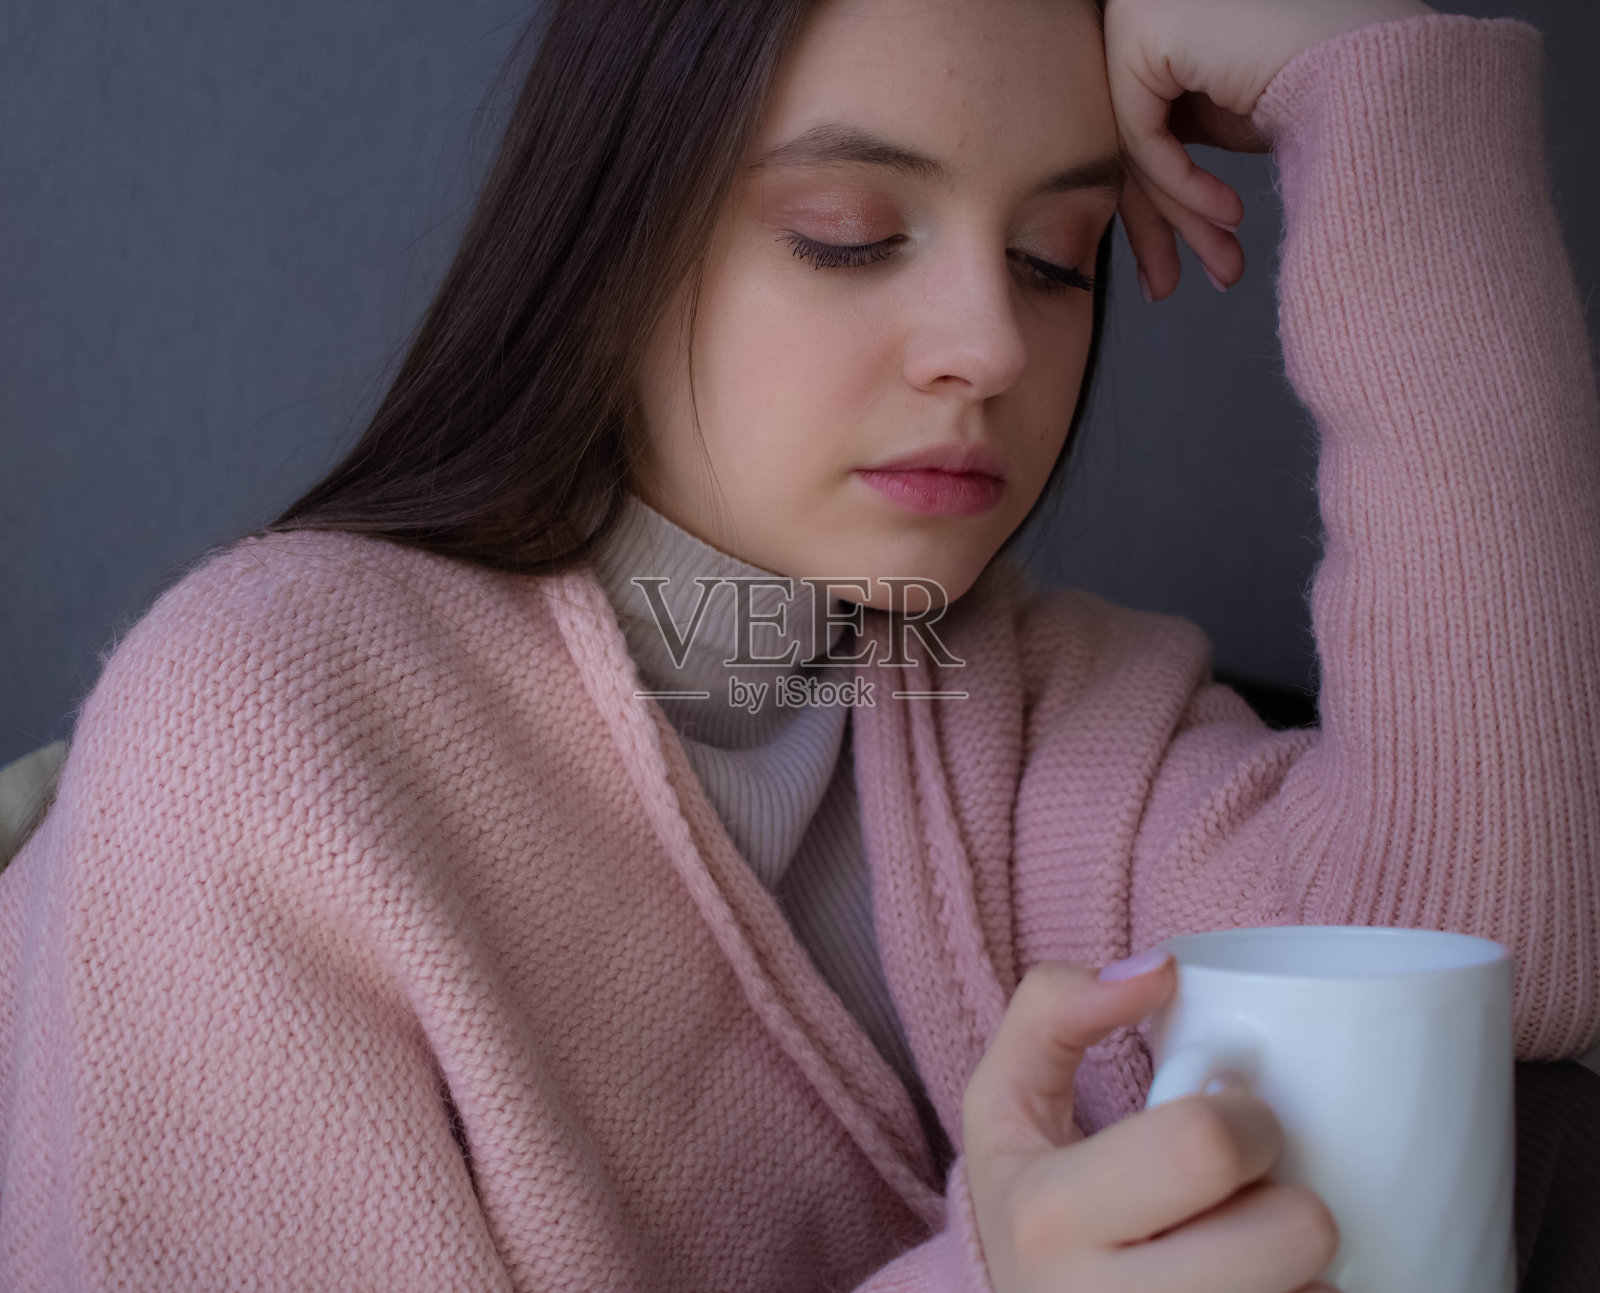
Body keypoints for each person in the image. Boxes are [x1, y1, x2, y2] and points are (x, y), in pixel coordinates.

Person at [0, 0, 1595, 1288]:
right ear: (610, 246)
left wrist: (1374, 98)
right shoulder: (263, 734)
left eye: (1059, 255)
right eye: (846, 232)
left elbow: (1484, 964)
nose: (991, 346)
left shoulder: (1034, 700)